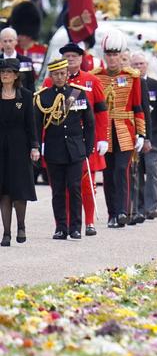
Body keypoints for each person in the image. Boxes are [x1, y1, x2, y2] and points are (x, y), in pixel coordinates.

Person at [42, 43, 109, 236]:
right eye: (67, 56)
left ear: (81, 58)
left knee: (82, 186)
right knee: (58, 190)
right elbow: (43, 118)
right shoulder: (47, 85)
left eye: (74, 56)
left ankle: (85, 223)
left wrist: (99, 140)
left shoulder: (90, 81)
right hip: (56, 145)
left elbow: (99, 113)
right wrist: (42, 143)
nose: (70, 59)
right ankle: (61, 226)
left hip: (78, 144)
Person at [35, 58, 94, 240]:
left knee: (75, 187)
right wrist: (37, 146)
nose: (59, 77)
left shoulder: (78, 94)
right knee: (58, 190)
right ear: (50, 76)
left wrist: (88, 148)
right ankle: (61, 227)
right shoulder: (42, 97)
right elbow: (37, 126)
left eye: (62, 73)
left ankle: (76, 227)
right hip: (54, 150)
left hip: (75, 149)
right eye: (55, 74)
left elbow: (89, 123)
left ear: (67, 74)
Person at [94, 32, 146, 228]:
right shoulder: (96, 76)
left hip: (125, 131)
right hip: (104, 132)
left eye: (115, 54)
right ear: (105, 56)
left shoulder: (132, 77)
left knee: (121, 170)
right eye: (109, 54)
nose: (112, 58)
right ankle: (112, 213)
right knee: (107, 174)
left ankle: (123, 211)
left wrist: (141, 134)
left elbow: (138, 107)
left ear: (121, 55)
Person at [0, 58, 39, 245]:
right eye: (2, 71)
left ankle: (21, 226)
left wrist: (34, 146)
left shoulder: (25, 95)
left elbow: (31, 124)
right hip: (1, 147)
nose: (5, 75)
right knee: (4, 190)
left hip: (19, 146)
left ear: (16, 75)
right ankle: (6, 233)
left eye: (8, 72)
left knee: (19, 189)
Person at [131, 51, 157, 222]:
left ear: (147, 65)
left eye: (141, 64)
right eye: (135, 64)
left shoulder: (156, 85)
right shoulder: (128, 85)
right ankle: (138, 206)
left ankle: (151, 207)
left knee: (152, 170)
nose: (139, 67)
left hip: (153, 135)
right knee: (136, 171)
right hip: (134, 136)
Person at [0, 27, 35, 91]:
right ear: (1, 43)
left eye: (10, 41)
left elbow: (31, 83)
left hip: (22, 98)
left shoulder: (26, 61)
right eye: (5, 41)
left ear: (16, 41)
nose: (8, 44)